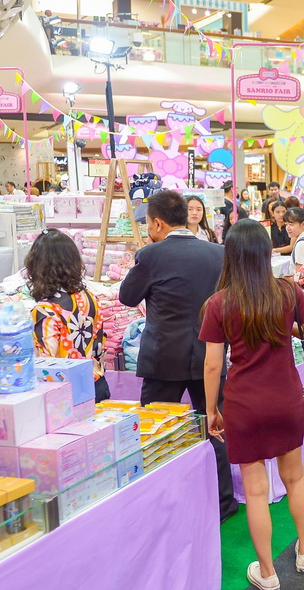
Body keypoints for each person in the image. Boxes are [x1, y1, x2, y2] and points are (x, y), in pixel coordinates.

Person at [200, 219, 304, 590]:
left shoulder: (219, 303)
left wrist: (211, 410)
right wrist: (287, 327)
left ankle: (268, 572)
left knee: (256, 492)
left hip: (244, 403)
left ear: (232, 256)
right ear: (265, 253)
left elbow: (211, 365)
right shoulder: (287, 292)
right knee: (295, 479)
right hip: (286, 398)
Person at [118, 191, 236, 519]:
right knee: (215, 427)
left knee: (156, 431)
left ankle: (160, 502)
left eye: (147, 224)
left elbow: (127, 297)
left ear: (157, 222)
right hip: (208, 355)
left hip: (163, 356)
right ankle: (224, 502)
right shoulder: (218, 253)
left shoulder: (151, 255)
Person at [25, 230, 111, 402]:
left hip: (67, 394)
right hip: (97, 384)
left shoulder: (45, 310)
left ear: (37, 265)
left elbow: (46, 364)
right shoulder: (88, 297)